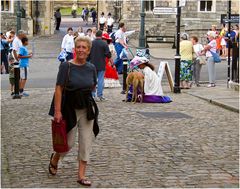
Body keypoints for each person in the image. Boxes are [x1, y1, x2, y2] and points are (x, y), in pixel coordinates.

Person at [48, 36, 99, 187]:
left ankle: (81, 175)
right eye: (79, 47)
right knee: (67, 143)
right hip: (68, 108)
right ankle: (55, 158)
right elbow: (58, 89)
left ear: (89, 51)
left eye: (84, 47)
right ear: (74, 49)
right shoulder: (66, 67)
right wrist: (58, 111)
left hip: (86, 108)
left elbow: (93, 86)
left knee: (85, 142)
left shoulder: (91, 68)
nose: (81, 50)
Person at [88, 30, 111, 101]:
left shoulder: (91, 43)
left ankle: (92, 95)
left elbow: (88, 54)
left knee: (92, 80)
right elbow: (108, 54)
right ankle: (100, 95)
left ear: (95, 35)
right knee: (100, 80)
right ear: (101, 36)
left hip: (92, 64)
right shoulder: (104, 44)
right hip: (101, 64)